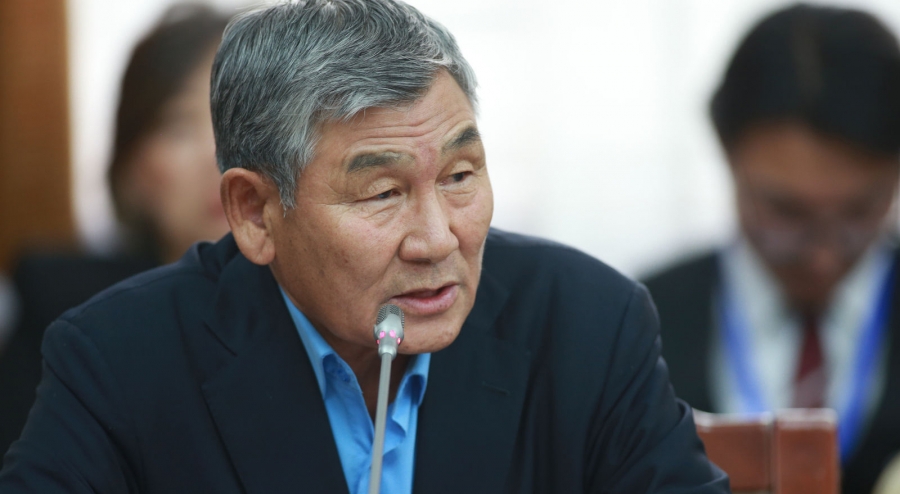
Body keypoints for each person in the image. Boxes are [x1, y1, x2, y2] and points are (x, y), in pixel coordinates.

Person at [0, 1, 728, 492]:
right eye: (382, 193)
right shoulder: (121, 359)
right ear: (255, 214)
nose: (438, 238)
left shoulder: (588, 325)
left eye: (460, 176)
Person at [643, 4, 900, 493]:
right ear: (728, 155)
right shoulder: (636, 327)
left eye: (859, 212)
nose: (823, 255)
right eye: (788, 213)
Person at [0, 3, 231, 458]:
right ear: (131, 170)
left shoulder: (342, 320)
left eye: (239, 118)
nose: (217, 155)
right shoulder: (67, 316)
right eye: (180, 126)